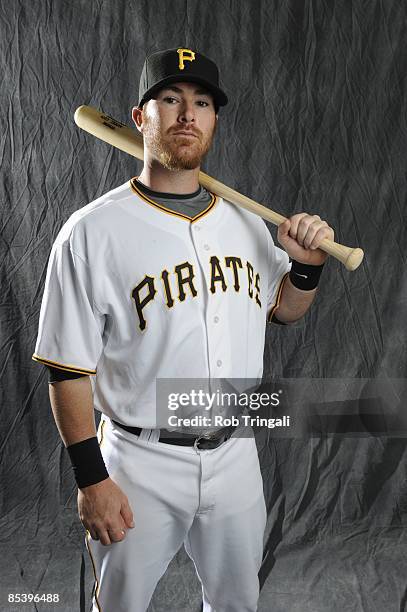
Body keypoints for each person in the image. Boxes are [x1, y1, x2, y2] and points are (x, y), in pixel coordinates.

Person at [32, 47, 334, 612]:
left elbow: (284, 311)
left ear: (215, 120)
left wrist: (305, 265)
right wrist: (92, 481)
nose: (187, 114)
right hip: (139, 460)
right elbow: (65, 370)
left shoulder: (246, 222)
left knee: (238, 604)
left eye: (201, 102)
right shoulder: (91, 233)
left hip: (235, 454)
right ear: (141, 117)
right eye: (169, 99)